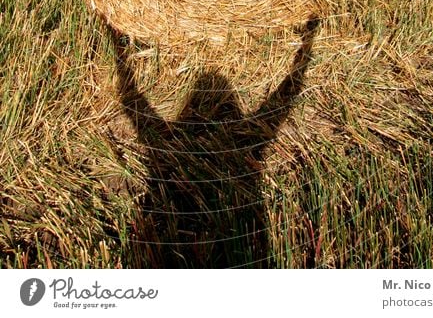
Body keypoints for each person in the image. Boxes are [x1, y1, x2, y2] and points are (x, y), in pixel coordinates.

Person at [112, 24, 316, 268]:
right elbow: (281, 109)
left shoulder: (159, 146)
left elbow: (129, 102)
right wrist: (307, 45)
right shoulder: (251, 150)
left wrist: (117, 47)